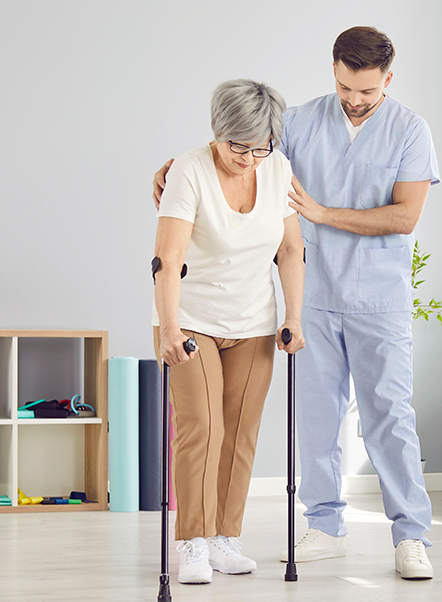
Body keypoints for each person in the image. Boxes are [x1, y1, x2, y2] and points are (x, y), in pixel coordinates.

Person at [153, 26, 439, 580]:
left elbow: (405, 216)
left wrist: (323, 213)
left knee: (389, 419)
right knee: (316, 420)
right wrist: (172, 171)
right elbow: (239, 153)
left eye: (367, 92)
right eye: (345, 87)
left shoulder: (410, 131)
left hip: (378, 299)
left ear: (388, 79)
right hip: (311, 299)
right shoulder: (302, 123)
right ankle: (325, 525)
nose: (354, 101)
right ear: (333, 71)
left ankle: (411, 535)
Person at [152, 79, 305, 585]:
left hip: (254, 321)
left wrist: (293, 316)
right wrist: (169, 328)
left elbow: (289, 250)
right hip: (191, 320)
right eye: (239, 145)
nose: (249, 157)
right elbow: (168, 258)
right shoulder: (188, 172)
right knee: (203, 428)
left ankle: (224, 539)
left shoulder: (278, 168)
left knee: (240, 433)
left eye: (260, 147)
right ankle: (192, 542)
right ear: (218, 132)